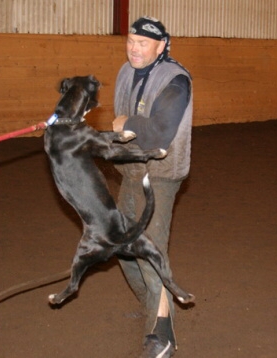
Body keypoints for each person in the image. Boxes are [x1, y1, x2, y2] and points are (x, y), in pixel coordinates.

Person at [112, 16, 193, 358]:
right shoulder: (125, 71)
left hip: (160, 175)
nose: (134, 48)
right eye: (131, 41)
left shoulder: (175, 79)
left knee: (150, 251)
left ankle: (162, 337)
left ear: (161, 46)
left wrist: (126, 123)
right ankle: (152, 308)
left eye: (142, 43)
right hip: (131, 170)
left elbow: (159, 132)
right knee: (120, 244)